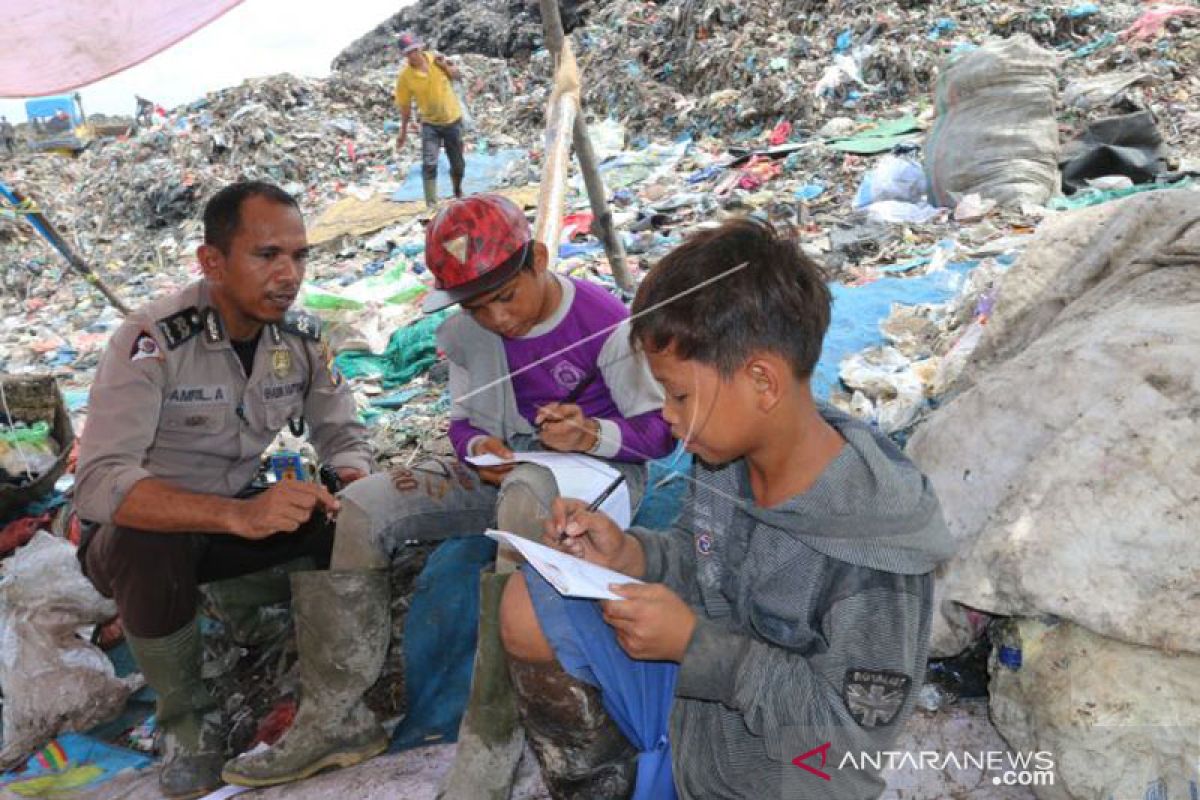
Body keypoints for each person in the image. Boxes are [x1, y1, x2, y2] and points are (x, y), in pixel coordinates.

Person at [221, 193, 675, 793]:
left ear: (537, 259)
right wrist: (478, 450)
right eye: (479, 308)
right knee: (365, 504)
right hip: (507, 469)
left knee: (526, 493)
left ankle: (492, 737)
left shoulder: (603, 321)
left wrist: (593, 432)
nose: (498, 319)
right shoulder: (466, 332)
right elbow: (463, 425)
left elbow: (659, 433)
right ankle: (336, 717)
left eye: (507, 297)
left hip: (593, 474)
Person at [497, 217, 956, 799]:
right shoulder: (724, 454)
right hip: (691, 710)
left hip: (787, 765)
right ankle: (618, 780)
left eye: (679, 395)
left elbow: (842, 755)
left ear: (762, 382)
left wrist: (699, 648)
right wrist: (632, 554)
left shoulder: (878, 553)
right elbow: (700, 557)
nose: (665, 415)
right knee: (530, 598)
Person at [74, 181, 373, 800]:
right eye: (267, 256)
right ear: (212, 262)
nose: (289, 274)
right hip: (146, 538)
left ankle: (334, 691)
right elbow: (100, 483)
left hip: (238, 513)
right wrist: (237, 519)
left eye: (299, 256)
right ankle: (187, 721)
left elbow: (343, 436)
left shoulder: (304, 339)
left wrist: (350, 482)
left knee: (352, 517)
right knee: (144, 543)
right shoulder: (152, 340)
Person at [393, 31, 466, 208]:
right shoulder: (405, 77)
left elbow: (458, 76)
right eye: (408, 53)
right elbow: (405, 106)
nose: (413, 55)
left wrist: (446, 67)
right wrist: (402, 132)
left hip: (452, 120)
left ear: (420, 47)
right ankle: (431, 205)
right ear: (404, 55)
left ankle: (457, 190)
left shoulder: (437, 59)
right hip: (430, 124)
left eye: (415, 50)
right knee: (429, 163)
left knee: (458, 165)